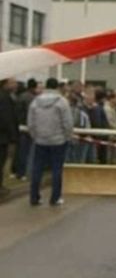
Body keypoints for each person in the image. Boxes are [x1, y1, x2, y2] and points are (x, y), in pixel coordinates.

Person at [28, 78, 74, 206]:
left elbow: (30, 123)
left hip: (40, 140)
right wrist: (67, 136)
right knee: (57, 169)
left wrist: (35, 136)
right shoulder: (62, 102)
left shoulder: (35, 101)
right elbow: (68, 123)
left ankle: (34, 197)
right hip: (58, 141)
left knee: (37, 169)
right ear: (57, 87)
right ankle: (55, 198)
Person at [13, 78, 40, 180]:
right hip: (27, 127)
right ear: (34, 87)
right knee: (25, 151)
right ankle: (22, 173)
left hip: (19, 126)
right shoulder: (31, 98)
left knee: (19, 151)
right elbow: (32, 114)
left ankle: (16, 171)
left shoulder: (21, 96)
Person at [0, 78, 19, 197]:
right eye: (12, 82)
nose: (16, 84)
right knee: (1, 161)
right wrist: (13, 137)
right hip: (3, 137)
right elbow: (8, 119)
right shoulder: (5, 98)